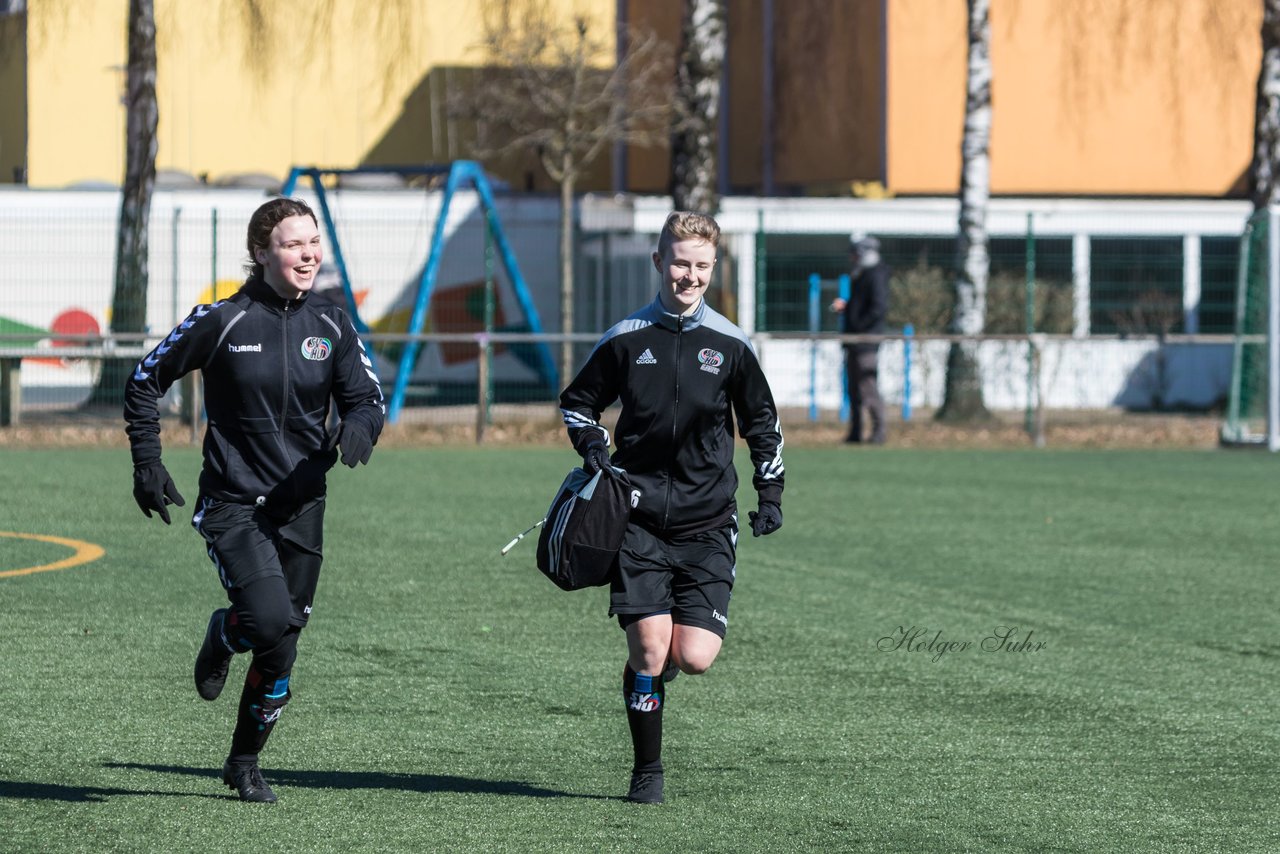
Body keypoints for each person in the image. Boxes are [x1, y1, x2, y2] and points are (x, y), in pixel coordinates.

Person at [123, 197, 385, 803]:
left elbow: (367, 399)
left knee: (282, 649)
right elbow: (144, 382)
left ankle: (243, 763)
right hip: (234, 504)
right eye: (294, 244)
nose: (309, 254)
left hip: (303, 507)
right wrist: (147, 461)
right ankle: (224, 633)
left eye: (313, 242)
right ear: (262, 252)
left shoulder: (333, 322)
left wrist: (359, 430)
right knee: (266, 620)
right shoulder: (222, 320)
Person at [559, 211, 786, 804]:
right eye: (680, 262)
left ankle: (651, 678)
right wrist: (592, 447)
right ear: (659, 261)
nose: (690, 276)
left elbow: (762, 424)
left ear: (715, 269)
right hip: (635, 519)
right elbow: (578, 405)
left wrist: (771, 491)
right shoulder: (625, 338)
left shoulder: (732, 344)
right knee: (651, 647)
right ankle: (647, 771)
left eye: (702, 266)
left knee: (694, 656)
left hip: (708, 521)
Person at [830, 233, 889, 444]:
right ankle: (856, 433)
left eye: (855, 253)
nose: (852, 257)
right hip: (855, 339)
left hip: (866, 340)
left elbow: (877, 308)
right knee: (854, 388)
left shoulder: (875, 274)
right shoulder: (862, 273)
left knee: (867, 386)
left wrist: (859, 326)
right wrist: (848, 309)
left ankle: (879, 432)